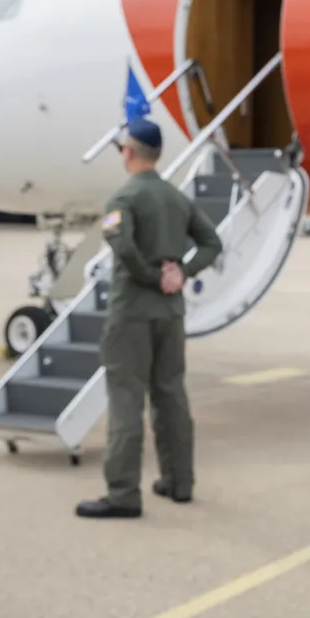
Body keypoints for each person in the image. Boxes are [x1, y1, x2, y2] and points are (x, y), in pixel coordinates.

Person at [76, 117, 223, 518]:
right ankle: (179, 482)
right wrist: (181, 273)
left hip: (132, 315)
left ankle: (123, 494)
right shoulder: (178, 199)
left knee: (126, 400)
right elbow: (213, 243)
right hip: (170, 315)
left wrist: (151, 277)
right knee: (170, 395)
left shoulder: (122, 200)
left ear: (128, 152)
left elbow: (122, 250)